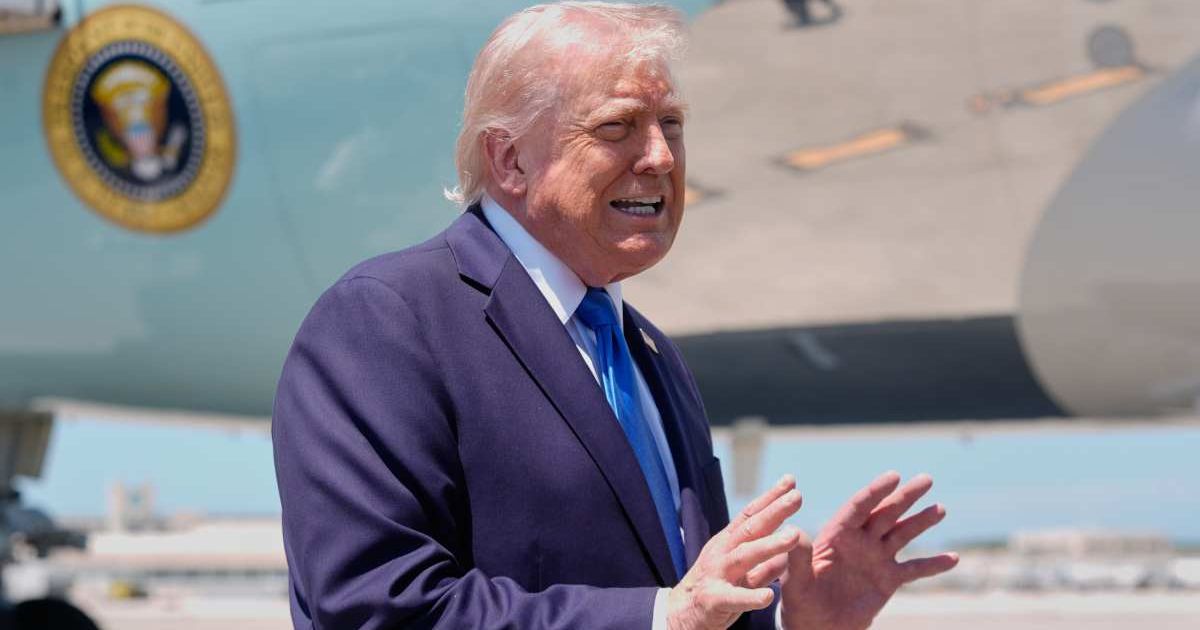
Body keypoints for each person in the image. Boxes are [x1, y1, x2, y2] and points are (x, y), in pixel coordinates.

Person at [271, 3, 957, 629]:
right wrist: (662, 617)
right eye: (617, 127)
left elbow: (683, 598)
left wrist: (787, 620)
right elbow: (375, 609)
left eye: (672, 126)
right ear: (509, 159)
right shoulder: (386, 322)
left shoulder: (648, 353)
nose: (659, 158)